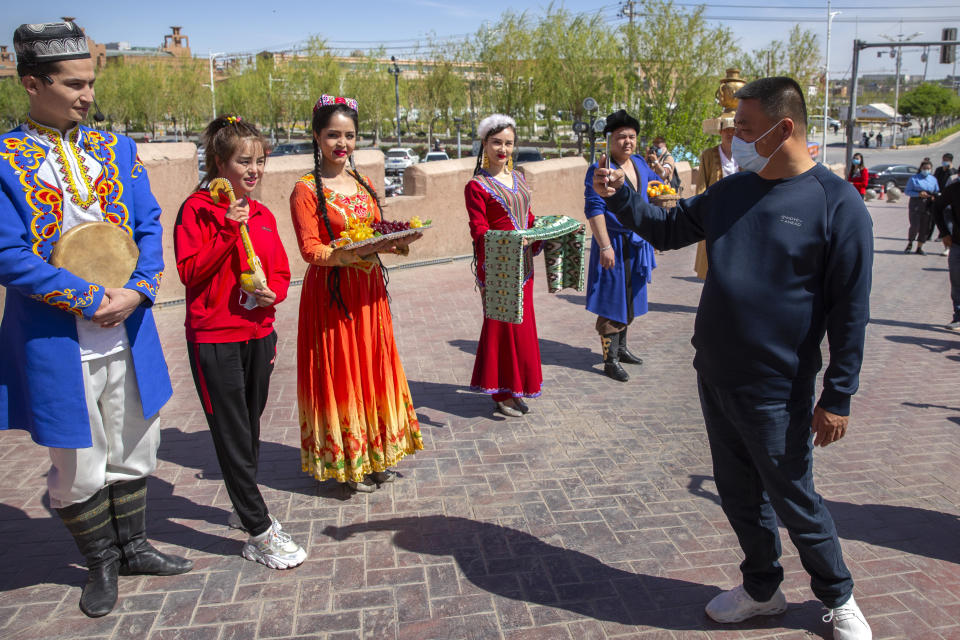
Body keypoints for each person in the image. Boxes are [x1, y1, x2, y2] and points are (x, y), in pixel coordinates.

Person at [593, 76, 873, 639]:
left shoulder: (836, 204)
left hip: (778, 385)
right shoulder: (734, 191)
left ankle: (838, 597)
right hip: (715, 372)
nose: (735, 136)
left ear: (783, 127)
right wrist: (621, 195)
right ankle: (761, 588)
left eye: (744, 127)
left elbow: (850, 312)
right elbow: (667, 228)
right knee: (739, 493)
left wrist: (837, 395)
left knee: (794, 496)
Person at [0, 21, 191, 618]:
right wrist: (88, 297)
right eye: (74, 85)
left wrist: (136, 291)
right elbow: (8, 254)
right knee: (78, 460)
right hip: (56, 339)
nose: (88, 96)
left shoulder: (117, 149)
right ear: (32, 83)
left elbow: (150, 226)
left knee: (136, 439)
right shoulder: (4, 161)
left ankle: (133, 546)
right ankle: (100, 561)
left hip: (128, 329)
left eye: (90, 84)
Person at [175, 115, 306, 569]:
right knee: (231, 433)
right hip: (215, 337)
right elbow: (190, 272)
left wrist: (276, 293)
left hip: (258, 334)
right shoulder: (196, 210)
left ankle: (239, 503)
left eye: (260, 161)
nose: (254, 170)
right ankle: (259, 528)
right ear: (219, 162)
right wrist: (228, 229)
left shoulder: (264, 214)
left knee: (249, 429)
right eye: (243, 161)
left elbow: (283, 271)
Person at [290, 95, 423, 493]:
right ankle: (349, 462)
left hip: (369, 291)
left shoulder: (362, 182)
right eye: (332, 135)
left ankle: (378, 455)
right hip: (333, 294)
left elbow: (378, 232)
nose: (341, 144)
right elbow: (310, 249)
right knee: (345, 372)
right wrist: (347, 253)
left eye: (349, 135)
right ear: (316, 137)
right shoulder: (305, 189)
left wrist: (398, 242)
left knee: (373, 368)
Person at [465, 114, 543, 417]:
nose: (503, 148)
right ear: (484, 143)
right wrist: (513, 240)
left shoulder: (519, 178)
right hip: (498, 266)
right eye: (497, 142)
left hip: (524, 265)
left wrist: (541, 232)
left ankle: (516, 387)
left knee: (522, 327)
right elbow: (479, 230)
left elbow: (529, 216)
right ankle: (501, 392)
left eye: (508, 143)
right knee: (502, 328)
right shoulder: (477, 186)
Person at [583, 109, 657, 381]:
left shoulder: (638, 163)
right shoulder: (600, 169)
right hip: (613, 241)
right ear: (610, 139)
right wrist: (604, 246)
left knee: (631, 295)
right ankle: (609, 359)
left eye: (632, 136)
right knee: (612, 299)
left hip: (638, 241)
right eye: (622, 136)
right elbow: (594, 209)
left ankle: (622, 348)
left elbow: (654, 187)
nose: (627, 141)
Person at [693, 120, 739, 279]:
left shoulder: (744, 154)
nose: (730, 134)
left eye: (733, 130)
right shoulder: (708, 155)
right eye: (726, 130)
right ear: (720, 132)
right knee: (713, 254)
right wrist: (702, 210)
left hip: (739, 212)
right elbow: (701, 185)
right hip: (716, 211)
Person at [934, 177, 960, 328]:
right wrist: (944, 232)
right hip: (957, 243)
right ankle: (958, 315)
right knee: (956, 281)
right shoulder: (955, 189)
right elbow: (937, 207)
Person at [904, 160, 939, 255]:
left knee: (925, 227)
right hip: (916, 204)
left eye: (928, 169)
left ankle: (920, 247)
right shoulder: (914, 178)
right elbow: (907, 191)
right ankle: (910, 242)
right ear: (921, 168)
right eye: (924, 168)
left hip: (928, 205)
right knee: (915, 226)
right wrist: (918, 194)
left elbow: (937, 191)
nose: (926, 170)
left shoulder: (933, 179)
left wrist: (933, 196)